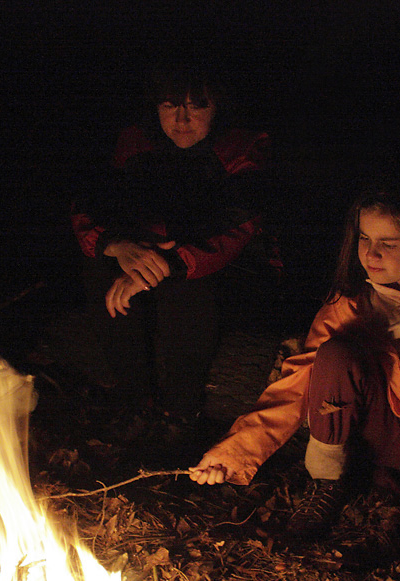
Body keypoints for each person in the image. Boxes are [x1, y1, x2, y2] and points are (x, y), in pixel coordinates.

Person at [189, 175, 400, 544]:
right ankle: (329, 481)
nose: (371, 253)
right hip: (379, 422)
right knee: (334, 354)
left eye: (389, 242)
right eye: (365, 238)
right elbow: (299, 378)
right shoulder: (351, 302)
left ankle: (390, 478)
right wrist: (236, 450)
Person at [71, 61, 272, 426]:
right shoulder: (136, 141)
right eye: (169, 105)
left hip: (227, 270)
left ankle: (181, 412)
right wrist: (116, 245)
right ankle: (134, 400)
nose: (181, 120)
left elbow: (235, 226)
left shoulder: (241, 148)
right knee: (101, 266)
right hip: (154, 254)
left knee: (186, 288)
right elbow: (92, 204)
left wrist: (165, 265)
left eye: (196, 106)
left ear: (218, 107)